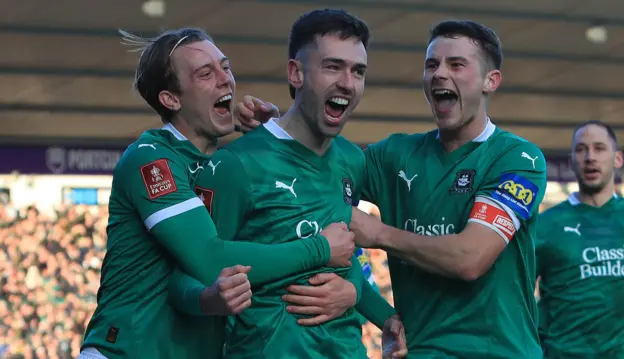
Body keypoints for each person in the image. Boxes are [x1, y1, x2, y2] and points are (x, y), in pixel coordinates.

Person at [237, 19, 547, 358]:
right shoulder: (393, 156)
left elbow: (471, 258)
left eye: (456, 64)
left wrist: (381, 235)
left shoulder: (517, 158)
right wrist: (281, 130)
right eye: (432, 65)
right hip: (415, 351)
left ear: (492, 80)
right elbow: (317, 176)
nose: (439, 74)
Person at [78, 27, 356, 359]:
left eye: (225, 66)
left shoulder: (227, 164)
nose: (225, 79)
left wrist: (275, 138)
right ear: (171, 99)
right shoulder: (151, 158)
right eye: (205, 73)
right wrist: (320, 247)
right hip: (128, 350)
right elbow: (210, 258)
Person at [168, 9, 407, 359]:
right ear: (296, 73)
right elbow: (184, 277)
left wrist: (382, 315)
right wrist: (210, 298)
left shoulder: (352, 161)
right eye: (332, 67)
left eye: (358, 71)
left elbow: (344, 256)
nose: (348, 82)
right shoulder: (237, 165)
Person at [536, 120, 624, 359]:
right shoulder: (545, 225)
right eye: (581, 149)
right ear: (572, 160)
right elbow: (516, 298)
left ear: (618, 159)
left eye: (599, 148)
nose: (590, 157)